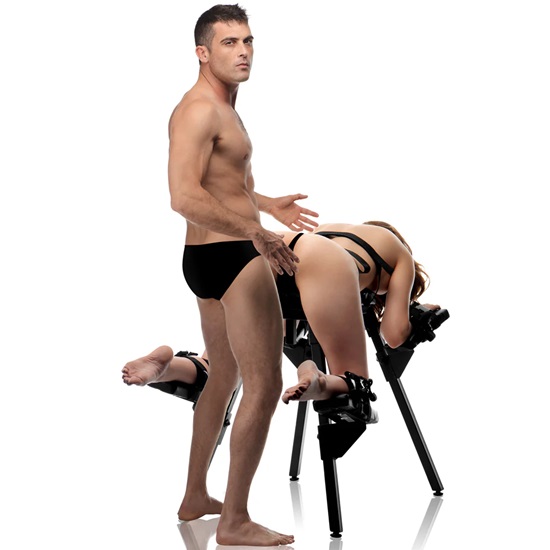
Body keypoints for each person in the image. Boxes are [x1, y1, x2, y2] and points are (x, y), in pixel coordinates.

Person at [146, 4, 320, 546]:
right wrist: (257, 233)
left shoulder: (223, 105)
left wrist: (266, 205)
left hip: (208, 259)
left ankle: (196, 496)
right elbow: (183, 196)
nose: (243, 52)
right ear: (202, 53)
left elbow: (222, 182)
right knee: (263, 385)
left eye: (248, 41)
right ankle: (235, 521)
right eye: (229, 43)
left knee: (223, 376)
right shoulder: (199, 110)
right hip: (235, 258)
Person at [123, 220, 440, 406]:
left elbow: (290, 317)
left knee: (218, 369)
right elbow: (393, 335)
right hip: (323, 260)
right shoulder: (400, 253)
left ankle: (168, 367)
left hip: (269, 246)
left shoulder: (336, 228)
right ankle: (318, 379)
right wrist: (418, 314)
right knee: (355, 385)